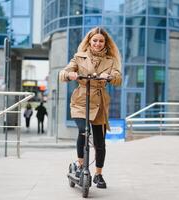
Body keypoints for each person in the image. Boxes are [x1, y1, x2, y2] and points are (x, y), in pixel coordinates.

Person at [59, 26, 122, 189]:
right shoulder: (79, 57)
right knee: (83, 131)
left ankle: (99, 174)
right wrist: (69, 74)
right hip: (81, 100)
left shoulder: (111, 60)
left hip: (100, 103)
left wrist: (109, 77)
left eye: (101, 41)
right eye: (95, 40)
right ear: (89, 41)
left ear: (105, 43)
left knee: (100, 142)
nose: (98, 43)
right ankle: (80, 165)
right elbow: (63, 73)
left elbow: (118, 77)